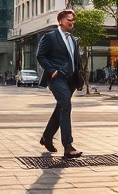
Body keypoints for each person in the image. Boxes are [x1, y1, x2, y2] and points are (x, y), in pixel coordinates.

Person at [36, 9, 84, 159]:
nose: (72, 22)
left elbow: (75, 61)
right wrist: (52, 71)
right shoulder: (50, 37)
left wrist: (79, 78)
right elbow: (40, 55)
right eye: (69, 19)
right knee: (65, 105)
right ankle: (68, 146)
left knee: (61, 107)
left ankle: (47, 137)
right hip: (57, 78)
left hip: (71, 80)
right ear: (61, 20)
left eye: (73, 20)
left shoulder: (74, 40)